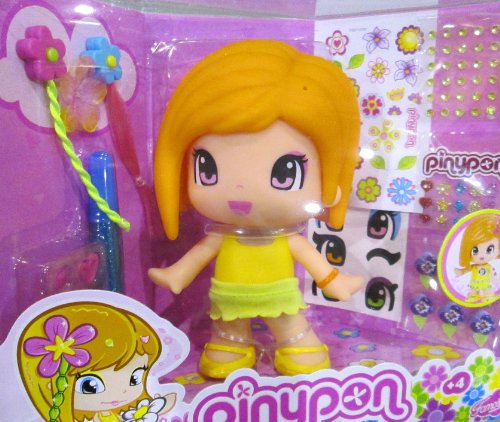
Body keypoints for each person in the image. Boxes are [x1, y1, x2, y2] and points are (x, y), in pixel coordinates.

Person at [149, 39, 363, 378]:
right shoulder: (222, 236)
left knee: (290, 324)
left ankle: (296, 343)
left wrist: (334, 282)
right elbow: (198, 256)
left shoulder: (287, 237)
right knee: (228, 329)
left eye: (286, 172)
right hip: (229, 298)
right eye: (207, 168)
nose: (241, 191)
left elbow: (311, 258)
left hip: (280, 295)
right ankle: (231, 344)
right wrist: (177, 274)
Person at [18, 302, 176, 421]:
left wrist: (160, 406)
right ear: (50, 386)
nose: (121, 392)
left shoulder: (125, 412)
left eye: (135, 378)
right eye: (89, 386)